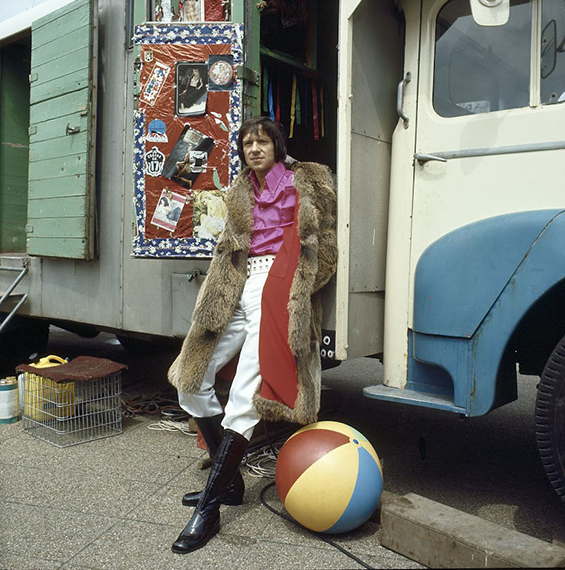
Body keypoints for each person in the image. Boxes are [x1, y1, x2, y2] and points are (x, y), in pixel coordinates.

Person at [167, 116, 337, 554]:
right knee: (192, 378)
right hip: (236, 285)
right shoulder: (240, 189)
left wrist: (296, 283)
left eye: (262, 142)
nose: (254, 149)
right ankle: (232, 483)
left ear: (277, 146)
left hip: (277, 287)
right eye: (246, 143)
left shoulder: (306, 182)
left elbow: (327, 247)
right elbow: (230, 244)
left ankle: (208, 507)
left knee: (243, 393)